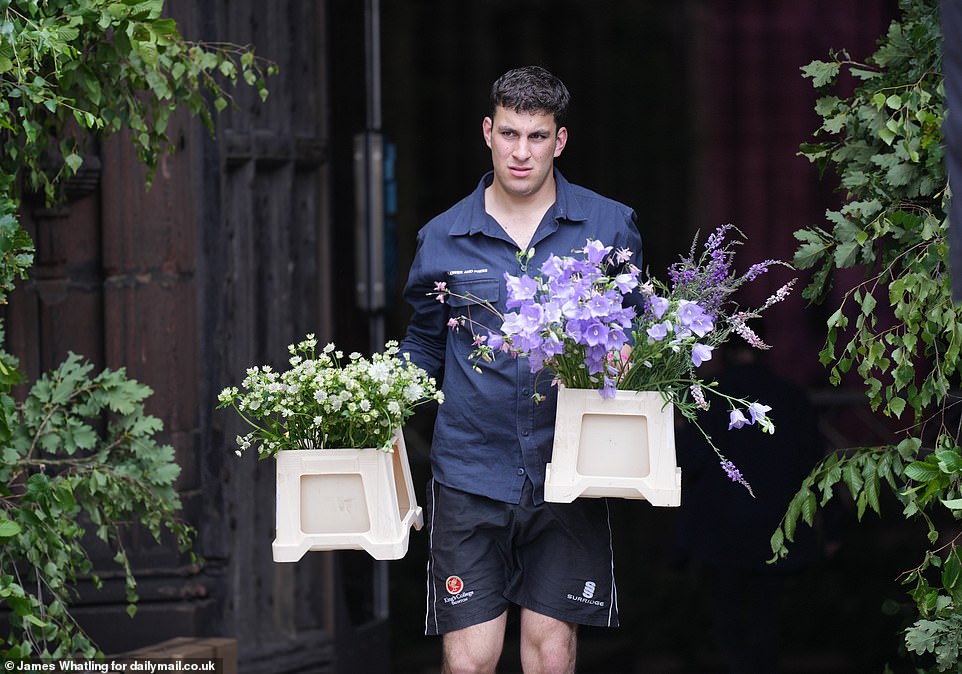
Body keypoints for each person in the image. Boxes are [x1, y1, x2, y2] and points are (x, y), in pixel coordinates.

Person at [398, 65, 643, 674]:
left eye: (537, 136)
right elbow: (424, 346)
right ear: (488, 131)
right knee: (469, 662)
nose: (521, 152)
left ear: (560, 140)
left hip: (569, 464)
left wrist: (630, 352)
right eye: (510, 134)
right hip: (469, 470)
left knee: (551, 651)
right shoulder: (442, 237)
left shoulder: (610, 226)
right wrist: (375, 408)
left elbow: (641, 324)